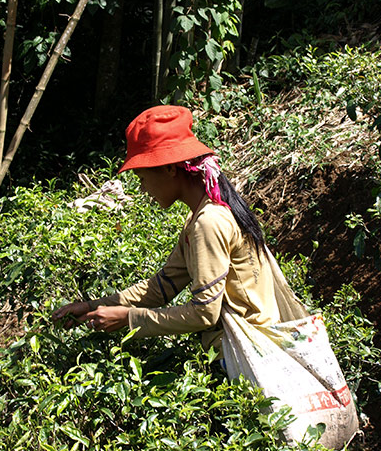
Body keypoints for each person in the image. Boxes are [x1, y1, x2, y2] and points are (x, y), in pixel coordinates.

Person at [51, 105, 280, 359]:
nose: (143, 189)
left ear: (171, 169)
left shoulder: (209, 222)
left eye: (142, 178)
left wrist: (130, 319)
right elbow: (162, 287)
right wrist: (92, 307)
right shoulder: (201, 215)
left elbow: (204, 314)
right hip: (248, 346)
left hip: (250, 353)